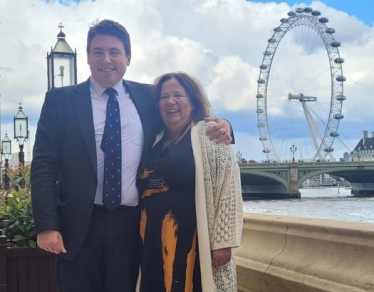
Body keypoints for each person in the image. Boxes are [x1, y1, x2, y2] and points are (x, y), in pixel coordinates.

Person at [31, 20, 233, 292]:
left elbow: (184, 121)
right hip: (77, 228)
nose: (106, 59)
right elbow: (43, 167)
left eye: (114, 52)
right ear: (88, 57)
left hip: (132, 227)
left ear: (128, 57)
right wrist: (46, 225)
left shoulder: (149, 98)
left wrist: (225, 127)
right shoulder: (60, 101)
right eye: (98, 51)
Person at [139, 72, 243, 291]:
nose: (170, 101)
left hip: (191, 242)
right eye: (164, 97)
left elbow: (228, 186)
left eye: (178, 95)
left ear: (194, 102)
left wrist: (223, 243)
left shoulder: (210, 134)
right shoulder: (155, 139)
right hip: (151, 242)